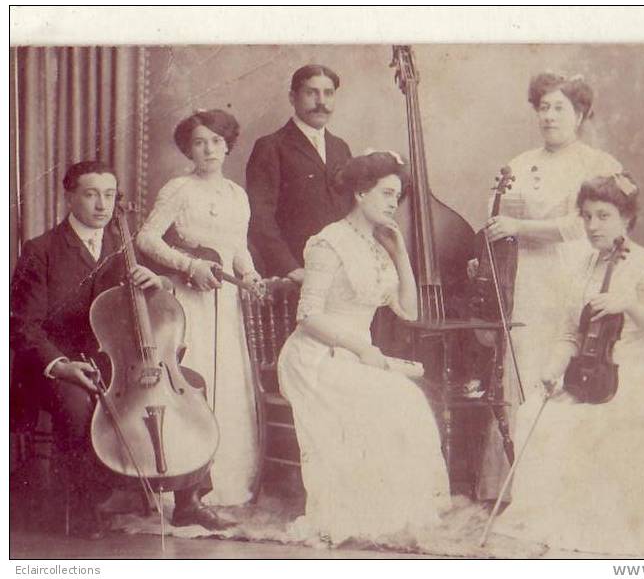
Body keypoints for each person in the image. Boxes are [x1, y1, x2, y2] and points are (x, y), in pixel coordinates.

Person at [492, 174, 644, 556]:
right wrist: (552, 369)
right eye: (586, 217)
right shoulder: (580, 268)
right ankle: (566, 518)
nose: (593, 226)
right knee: (537, 410)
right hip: (590, 369)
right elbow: (569, 334)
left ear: (626, 219)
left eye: (603, 216)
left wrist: (629, 303)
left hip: (641, 369)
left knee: (608, 422)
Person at [10, 160, 231, 535]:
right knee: (77, 402)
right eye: (91, 194)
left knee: (192, 383)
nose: (102, 205)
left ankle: (189, 501)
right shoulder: (41, 250)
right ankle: (84, 505)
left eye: (109, 195)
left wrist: (156, 279)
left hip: (120, 361)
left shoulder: (123, 244)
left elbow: (156, 300)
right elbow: (21, 326)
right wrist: (61, 365)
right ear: (69, 196)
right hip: (66, 361)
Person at [277, 152, 451, 545]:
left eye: (397, 195)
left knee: (405, 397)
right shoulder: (329, 242)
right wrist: (360, 348)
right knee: (390, 396)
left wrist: (402, 253)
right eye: (387, 193)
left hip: (357, 355)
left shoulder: (378, 247)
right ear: (360, 192)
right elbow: (308, 315)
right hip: (316, 355)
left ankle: (391, 512)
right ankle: (361, 513)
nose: (394, 203)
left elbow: (409, 310)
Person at [476, 72, 624, 497]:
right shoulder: (521, 164)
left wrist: (519, 225)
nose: (549, 115)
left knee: (569, 366)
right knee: (526, 364)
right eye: (543, 107)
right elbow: (494, 212)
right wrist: (503, 220)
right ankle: (522, 487)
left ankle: (572, 486)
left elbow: (583, 225)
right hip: (529, 281)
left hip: (574, 272)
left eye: (559, 107)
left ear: (579, 114)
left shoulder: (597, 164)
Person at [137, 110, 262, 508]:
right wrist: (190, 264)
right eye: (199, 142)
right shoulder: (179, 189)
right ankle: (186, 490)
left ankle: (226, 482)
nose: (208, 149)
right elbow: (146, 238)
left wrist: (252, 274)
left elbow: (237, 248)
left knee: (228, 382)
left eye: (215, 141)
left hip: (226, 305)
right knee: (196, 380)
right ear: (188, 149)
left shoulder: (236, 194)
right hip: (190, 302)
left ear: (227, 146)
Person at [246, 64, 353, 282]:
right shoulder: (271, 147)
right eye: (311, 93)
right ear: (292, 97)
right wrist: (290, 269)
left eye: (328, 93)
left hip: (343, 272)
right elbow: (260, 218)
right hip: (295, 276)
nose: (321, 102)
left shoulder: (341, 148)